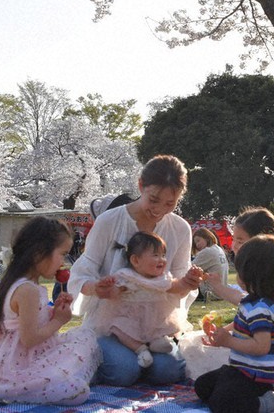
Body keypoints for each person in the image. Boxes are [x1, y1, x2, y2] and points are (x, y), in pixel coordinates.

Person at [68, 155, 200, 386]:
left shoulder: (180, 228)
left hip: (155, 322)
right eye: (154, 199)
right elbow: (83, 271)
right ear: (140, 186)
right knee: (123, 371)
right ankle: (113, 360)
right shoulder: (109, 221)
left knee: (167, 372)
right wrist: (97, 289)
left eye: (170, 203)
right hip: (113, 323)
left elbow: (179, 280)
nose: (159, 210)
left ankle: (142, 361)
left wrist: (188, 282)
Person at [0, 217, 99, 405]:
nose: (64, 262)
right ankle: (17, 390)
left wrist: (53, 312)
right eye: (62, 254)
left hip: (17, 359)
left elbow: (30, 321)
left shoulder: (23, 283)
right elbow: (29, 339)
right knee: (77, 389)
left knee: (84, 336)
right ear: (39, 254)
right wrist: (59, 321)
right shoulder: (27, 290)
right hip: (20, 365)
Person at [190, 207, 274, 372]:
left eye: (240, 241)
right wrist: (225, 330)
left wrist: (218, 287)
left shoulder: (271, 280)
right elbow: (250, 314)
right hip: (257, 340)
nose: (233, 246)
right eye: (234, 239)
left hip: (271, 352)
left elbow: (245, 300)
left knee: (196, 353)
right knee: (197, 344)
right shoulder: (262, 274)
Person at [195, 235, 274, 413]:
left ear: (251, 274)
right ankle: (236, 396)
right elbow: (233, 296)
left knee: (222, 404)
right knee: (202, 386)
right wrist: (215, 283)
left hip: (257, 379)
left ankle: (266, 402)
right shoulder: (252, 301)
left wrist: (228, 341)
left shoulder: (261, 309)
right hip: (240, 370)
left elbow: (261, 346)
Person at [92, 231, 203, 368]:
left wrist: (188, 279)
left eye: (163, 255)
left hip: (155, 319)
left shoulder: (162, 279)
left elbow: (176, 287)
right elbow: (115, 293)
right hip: (130, 319)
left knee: (161, 331)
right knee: (120, 330)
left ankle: (156, 343)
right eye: (155, 255)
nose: (162, 259)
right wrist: (108, 286)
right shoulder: (128, 277)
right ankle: (140, 349)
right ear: (135, 260)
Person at [190, 227, 229, 301]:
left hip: (210, 292)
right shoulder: (218, 249)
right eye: (195, 243)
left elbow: (188, 269)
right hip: (222, 291)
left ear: (207, 238)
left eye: (198, 241)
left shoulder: (207, 251)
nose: (197, 245)